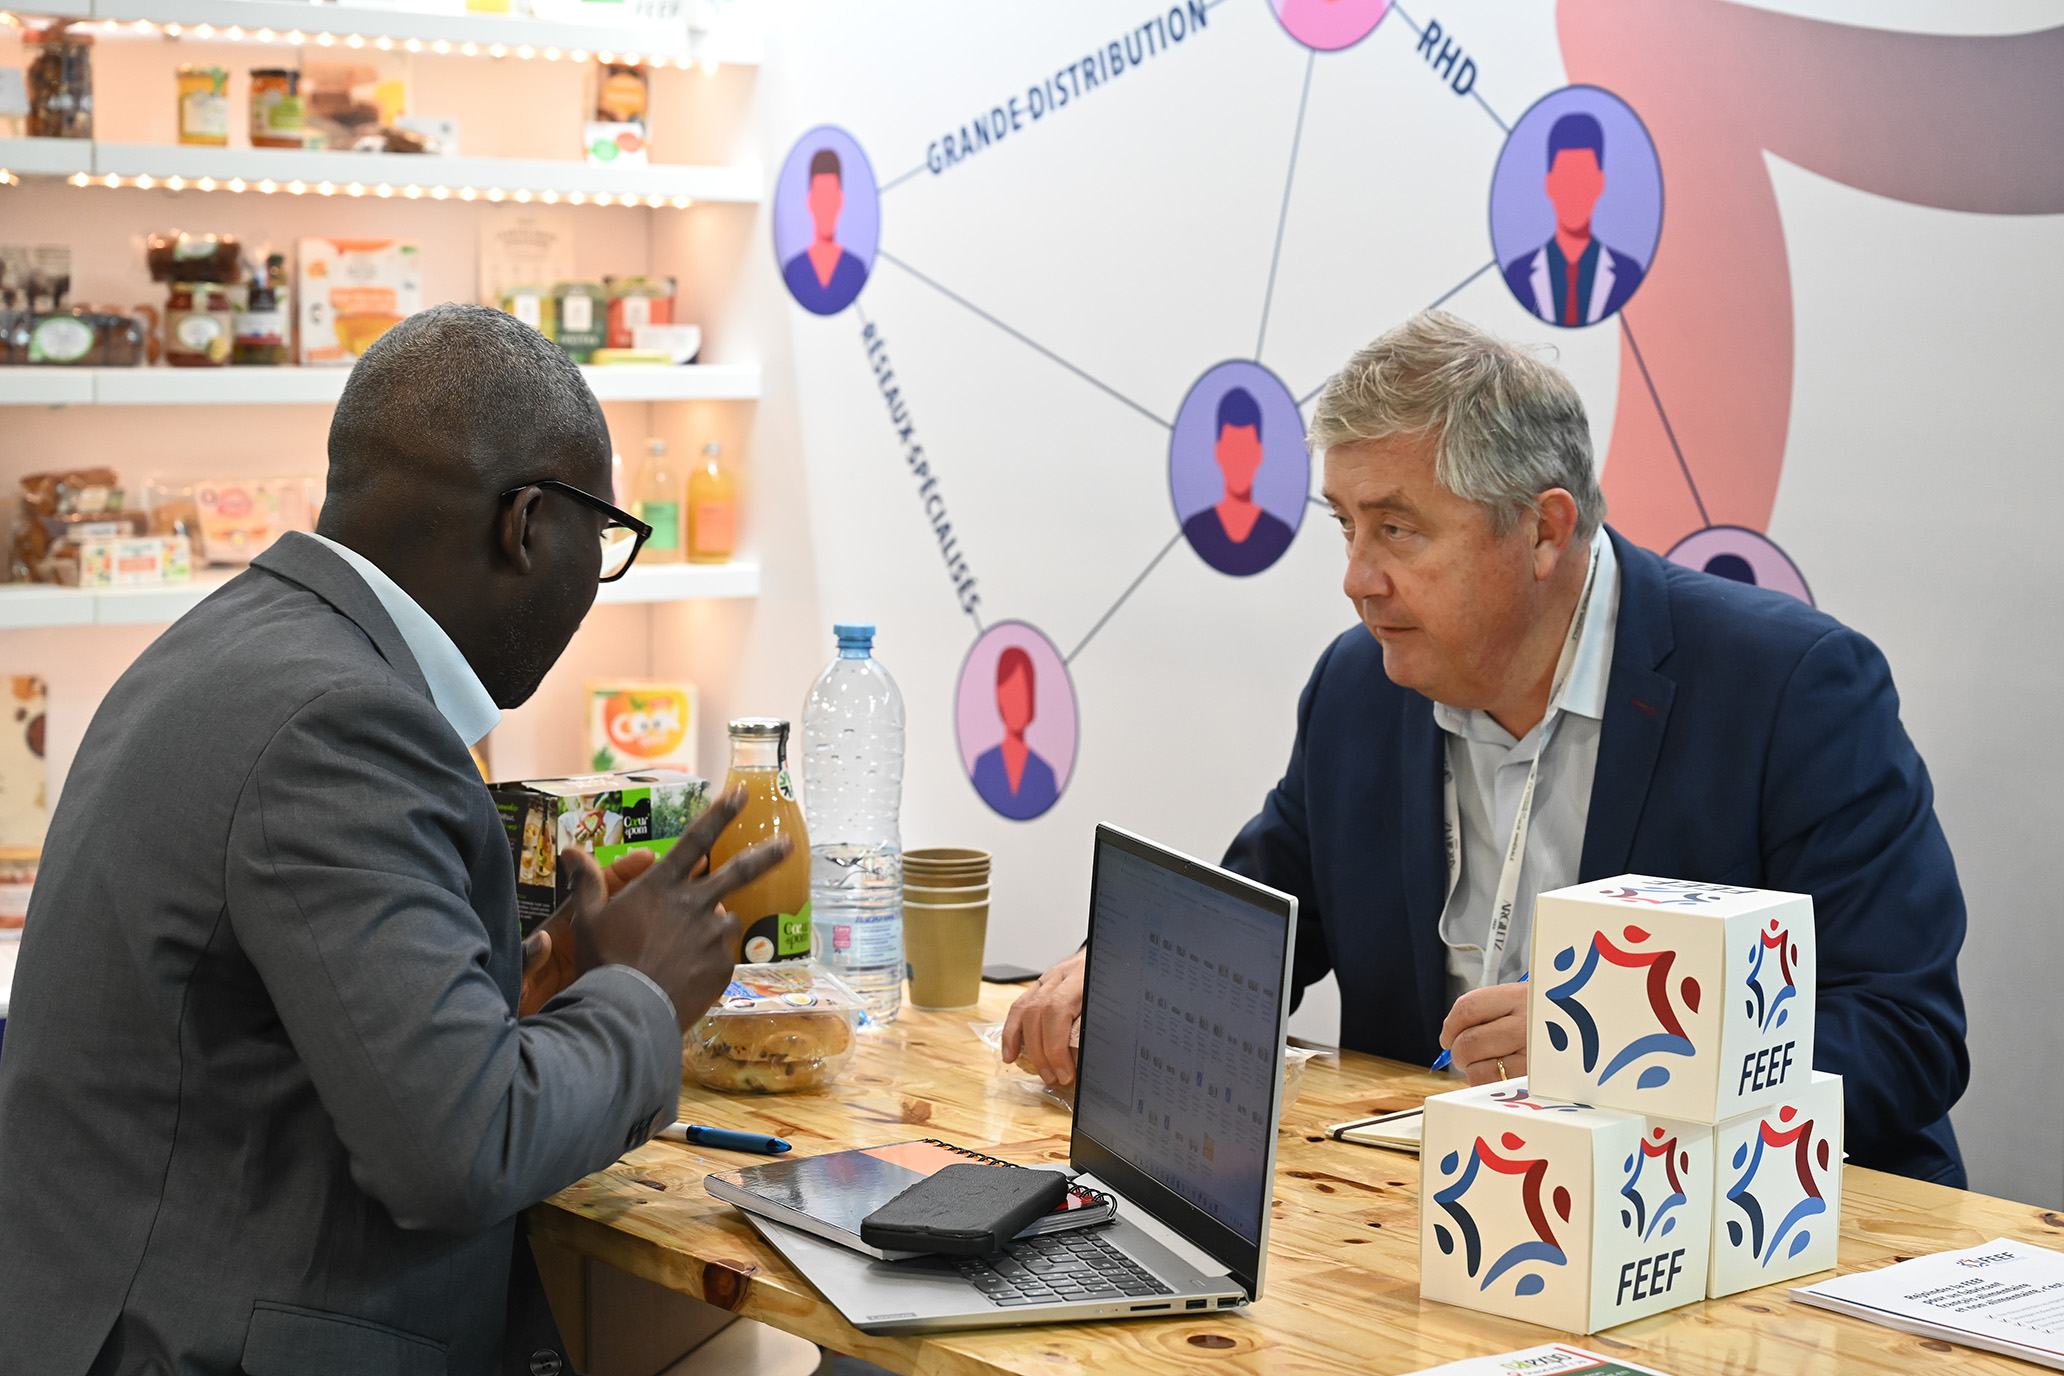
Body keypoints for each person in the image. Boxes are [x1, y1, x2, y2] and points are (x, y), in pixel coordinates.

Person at [0, 304, 792, 1374]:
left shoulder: (231, 646)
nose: (593, 588)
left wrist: (540, 986)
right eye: (604, 540)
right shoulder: (344, 723)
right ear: (526, 525)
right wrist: (642, 997)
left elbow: (301, 1039)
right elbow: (461, 1148)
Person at [1004, 310, 1970, 1186]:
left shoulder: (1788, 689)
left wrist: (1613, 1055)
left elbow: (1905, 1033)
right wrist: (1123, 976)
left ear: (1543, 530)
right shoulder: (1359, 688)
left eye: (1397, 530)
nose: (1357, 578)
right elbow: (1264, 926)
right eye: (1346, 527)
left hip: (1744, 1229)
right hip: (1446, 1214)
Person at [1501, 112, 1648, 327]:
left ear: (1600, 182)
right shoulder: (1518, 273)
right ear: (1549, 183)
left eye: (1584, 178)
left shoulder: (1628, 272)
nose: (1574, 192)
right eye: (1566, 177)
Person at [1181, 386, 1297, 576]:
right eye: (1232, 449)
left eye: (1245, 450)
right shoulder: (1196, 528)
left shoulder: (1280, 533)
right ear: (1218, 451)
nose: (1238, 462)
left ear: (1259, 453)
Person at [971, 646, 1060, 820]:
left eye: (1022, 692)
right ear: (999, 697)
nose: (1017, 702)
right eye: (1010, 692)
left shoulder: (1045, 773)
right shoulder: (983, 764)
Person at [782, 147, 870, 315]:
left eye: (830, 197)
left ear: (840, 200)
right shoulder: (794, 270)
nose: (826, 208)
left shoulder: (856, 270)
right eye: (821, 197)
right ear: (810, 201)